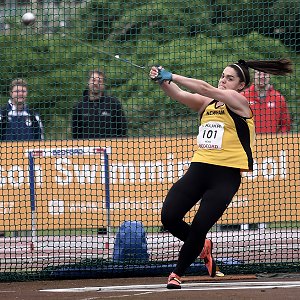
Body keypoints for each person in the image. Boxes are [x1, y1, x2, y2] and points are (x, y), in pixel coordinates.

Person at [149, 58, 293, 289]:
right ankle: (201, 245)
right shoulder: (207, 103)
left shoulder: (240, 102)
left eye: (229, 78)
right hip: (199, 169)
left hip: (225, 177)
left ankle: (177, 273)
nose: (223, 80)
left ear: (241, 86)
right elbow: (179, 94)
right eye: (222, 76)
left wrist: (172, 75)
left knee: (199, 225)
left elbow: (204, 87)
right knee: (169, 217)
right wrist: (161, 80)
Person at [72, 70, 128, 139]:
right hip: (87, 148)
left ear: (104, 85)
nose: (96, 83)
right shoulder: (79, 106)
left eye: (99, 81)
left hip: (110, 147)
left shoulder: (114, 104)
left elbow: (122, 130)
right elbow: (76, 134)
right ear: (88, 82)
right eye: (93, 80)